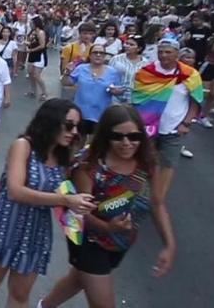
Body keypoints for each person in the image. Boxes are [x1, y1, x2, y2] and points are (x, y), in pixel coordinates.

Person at [39, 105, 176, 308]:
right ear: (105, 135)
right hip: (89, 241)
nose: (127, 143)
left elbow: (157, 203)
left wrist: (169, 244)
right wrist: (108, 228)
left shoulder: (148, 162)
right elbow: (81, 212)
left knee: (78, 279)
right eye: (118, 136)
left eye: (133, 136)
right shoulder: (88, 165)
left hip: (120, 242)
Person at [0, 99, 94, 308]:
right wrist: (65, 200)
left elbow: (77, 189)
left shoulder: (65, 156)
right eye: (69, 125)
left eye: (77, 127)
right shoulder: (23, 146)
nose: (74, 132)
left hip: (36, 229)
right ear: (51, 121)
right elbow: (15, 191)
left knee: (20, 294)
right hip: (7, 222)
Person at [132, 38, 203, 200]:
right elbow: (137, 98)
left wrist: (186, 123)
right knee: (144, 160)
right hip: (147, 127)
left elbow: (196, 101)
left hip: (173, 128)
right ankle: (137, 194)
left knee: (168, 164)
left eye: (168, 52)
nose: (163, 55)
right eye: (160, 52)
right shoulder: (146, 72)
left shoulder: (190, 74)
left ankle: (158, 199)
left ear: (177, 54)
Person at [61, 44, 124, 138]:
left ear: (104, 56)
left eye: (101, 53)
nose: (98, 55)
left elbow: (118, 91)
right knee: (77, 142)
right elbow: (66, 83)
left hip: (101, 115)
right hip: (81, 114)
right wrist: (67, 73)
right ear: (90, 55)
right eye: (95, 53)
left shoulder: (113, 72)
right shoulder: (81, 68)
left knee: (95, 145)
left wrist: (116, 91)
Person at [107, 35, 150, 103]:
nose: (127, 46)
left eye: (131, 45)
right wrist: (111, 88)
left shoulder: (146, 63)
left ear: (139, 48)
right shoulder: (116, 59)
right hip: (115, 97)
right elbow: (107, 76)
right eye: (126, 43)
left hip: (134, 99)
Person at [26, 16, 49, 101]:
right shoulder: (32, 32)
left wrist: (31, 50)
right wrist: (27, 43)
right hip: (32, 54)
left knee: (36, 75)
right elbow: (32, 41)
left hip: (39, 55)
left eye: (31, 23)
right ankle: (33, 91)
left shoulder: (41, 32)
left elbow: (42, 45)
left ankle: (44, 92)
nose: (30, 24)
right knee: (31, 74)